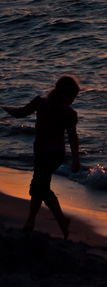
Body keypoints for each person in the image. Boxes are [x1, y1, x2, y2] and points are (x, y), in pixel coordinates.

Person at [2, 75, 81, 238]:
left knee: (40, 186)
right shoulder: (65, 111)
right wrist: (75, 158)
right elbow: (73, 137)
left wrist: (76, 159)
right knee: (40, 186)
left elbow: (19, 113)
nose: (74, 100)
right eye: (73, 96)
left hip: (47, 154)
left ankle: (59, 219)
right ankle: (31, 221)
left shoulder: (47, 105)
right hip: (50, 154)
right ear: (65, 93)